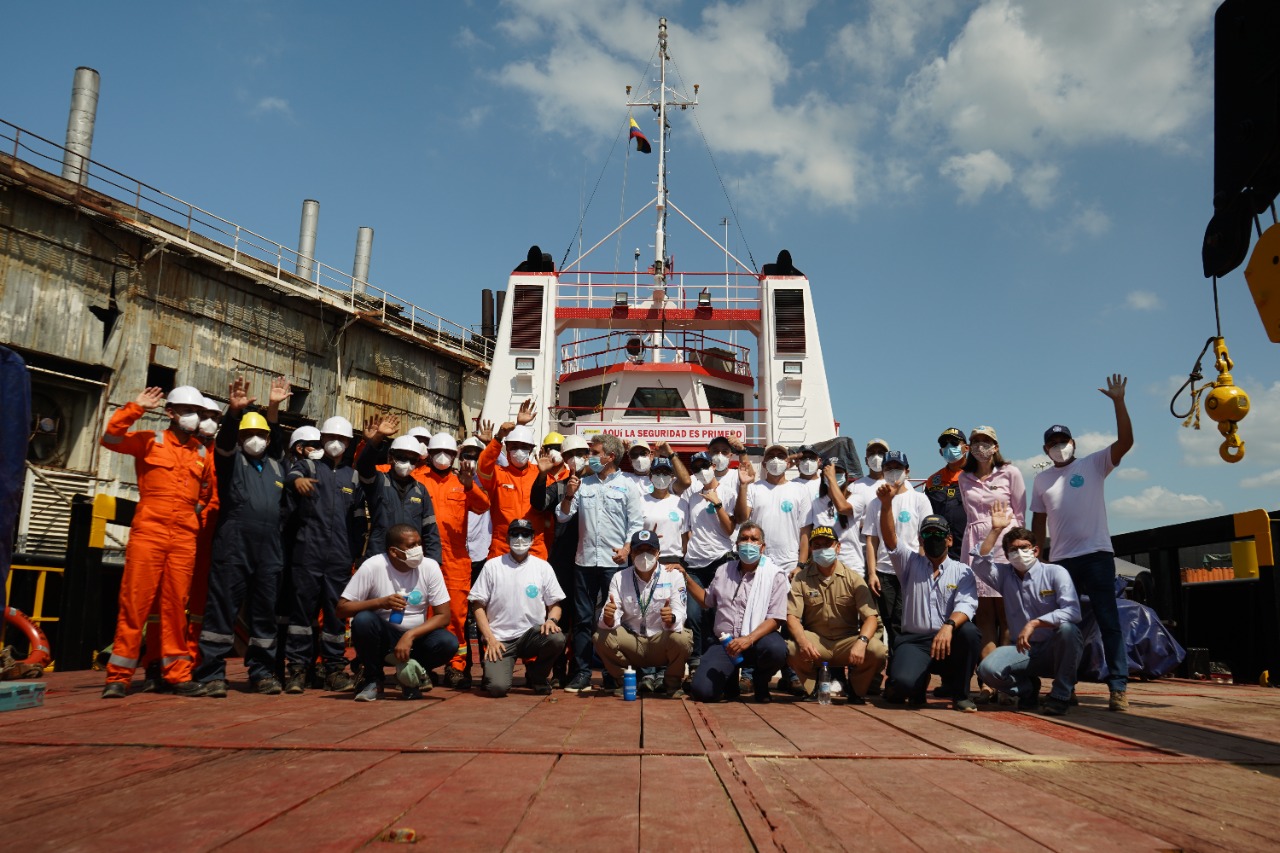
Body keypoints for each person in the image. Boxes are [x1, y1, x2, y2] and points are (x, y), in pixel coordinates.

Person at [100, 385, 213, 698]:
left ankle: (177, 673)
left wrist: (193, 516)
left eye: (199, 413)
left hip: (184, 538)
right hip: (149, 532)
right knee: (135, 602)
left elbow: (205, 492)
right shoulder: (149, 440)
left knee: (177, 605)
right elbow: (109, 437)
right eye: (188, 411)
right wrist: (135, 407)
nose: (194, 417)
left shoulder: (201, 453)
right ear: (170, 412)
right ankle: (119, 676)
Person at [1031, 374, 1134, 712]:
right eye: (1053, 443)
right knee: (1065, 626)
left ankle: (1118, 687)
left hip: (1097, 555)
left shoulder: (1094, 464)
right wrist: (1037, 556)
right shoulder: (1042, 479)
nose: (1059, 446)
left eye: (1063, 440)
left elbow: (1126, 441)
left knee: (1108, 621)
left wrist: (1118, 402)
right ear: (1046, 449)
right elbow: (1038, 521)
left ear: (1073, 443)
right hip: (1061, 562)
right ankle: (1066, 686)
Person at [194, 377, 291, 697]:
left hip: (269, 550)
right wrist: (234, 413)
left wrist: (274, 409)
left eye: (260, 435)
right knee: (222, 607)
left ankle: (262, 673)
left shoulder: (277, 467)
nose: (255, 440)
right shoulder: (230, 461)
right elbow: (222, 445)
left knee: (264, 612)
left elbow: (277, 442)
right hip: (234, 544)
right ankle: (211, 673)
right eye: (248, 434)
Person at [971, 502, 1083, 716]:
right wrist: (995, 530)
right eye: (1013, 550)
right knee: (986, 670)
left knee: (1069, 630)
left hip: (1055, 648)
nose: (1020, 553)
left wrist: (1035, 623)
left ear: (1035, 550)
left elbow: (1073, 611)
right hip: (1023, 650)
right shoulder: (1004, 575)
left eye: (1024, 548)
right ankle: (1027, 690)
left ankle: (1061, 695)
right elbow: (979, 563)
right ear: (1006, 554)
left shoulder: (1055, 572)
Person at [557, 433, 646, 692]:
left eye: (594, 453)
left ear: (609, 456)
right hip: (584, 561)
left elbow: (636, 524)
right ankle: (583, 672)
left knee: (614, 619)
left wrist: (628, 548)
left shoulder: (628, 485)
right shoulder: (582, 484)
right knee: (583, 619)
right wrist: (568, 495)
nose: (589, 457)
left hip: (614, 563)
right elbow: (563, 518)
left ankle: (612, 674)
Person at [878, 499, 980, 712]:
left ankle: (961, 695)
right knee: (902, 686)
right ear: (920, 540)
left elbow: (967, 605)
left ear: (949, 540)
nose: (933, 539)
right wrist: (885, 506)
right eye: (927, 534)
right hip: (915, 641)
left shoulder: (963, 571)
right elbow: (890, 539)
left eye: (939, 534)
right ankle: (917, 682)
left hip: (949, 641)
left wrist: (949, 625)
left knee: (970, 632)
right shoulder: (909, 563)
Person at [283, 414, 361, 694]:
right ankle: (297, 669)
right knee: (302, 613)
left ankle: (333, 669)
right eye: (331, 439)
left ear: (349, 443)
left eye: (341, 440)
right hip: (308, 553)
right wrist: (296, 482)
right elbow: (290, 475)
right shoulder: (308, 466)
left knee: (335, 615)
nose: (336, 443)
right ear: (322, 440)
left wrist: (354, 553)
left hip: (339, 556)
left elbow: (358, 519)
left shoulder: (351, 476)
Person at [337, 524, 456, 702]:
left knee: (448, 642)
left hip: (415, 639)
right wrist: (380, 602)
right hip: (384, 640)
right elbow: (341, 609)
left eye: (419, 544)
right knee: (362, 621)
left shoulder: (430, 567)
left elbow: (443, 615)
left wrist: (410, 635)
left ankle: (410, 677)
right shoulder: (374, 566)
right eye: (411, 546)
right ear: (394, 551)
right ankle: (373, 680)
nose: (418, 550)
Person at [414, 432, 491, 689]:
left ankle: (456, 667)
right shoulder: (417, 480)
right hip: (421, 559)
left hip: (456, 559)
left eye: (448, 453)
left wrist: (470, 485)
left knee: (457, 616)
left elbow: (483, 506)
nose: (443, 457)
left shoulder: (462, 482)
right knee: (422, 614)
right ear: (429, 454)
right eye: (437, 452)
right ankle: (422, 666)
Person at [681, 523, 788, 703]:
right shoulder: (724, 570)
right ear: (737, 545)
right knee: (702, 692)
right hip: (726, 643)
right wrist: (685, 576)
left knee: (777, 649)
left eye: (754, 539)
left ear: (762, 547)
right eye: (744, 538)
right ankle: (729, 683)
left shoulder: (775, 575)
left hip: (758, 642)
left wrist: (749, 639)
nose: (748, 543)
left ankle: (760, 681)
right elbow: (707, 601)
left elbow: (776, 619)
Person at [958, 425, 1026, 703]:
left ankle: (1007, 676)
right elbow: (968, 512)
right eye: (975, 441)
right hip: (977, 545)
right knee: (984, 615)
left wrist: (1019, 548)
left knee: (1008, 615)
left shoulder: (1011, 472)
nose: (980, 446)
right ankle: (989, 680)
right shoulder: (964, 477)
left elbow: (1020, 513)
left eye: (986, 441)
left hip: (1006, 544)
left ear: (996, 446)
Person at [786, 526, 886, 704]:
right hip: (817, 641)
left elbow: (870, 617)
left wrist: (861, 642)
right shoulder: (801, 578)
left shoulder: (853, 578)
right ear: (811, 550)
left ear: (838, 547)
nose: (822, 549)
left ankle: (856, 689)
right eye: (817, 545)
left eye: (827, 544)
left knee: (877, 650)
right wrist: (803, 642)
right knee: (791, 648)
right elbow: (792, 616)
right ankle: (812, 687)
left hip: (846, 642)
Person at [469, 519, 567, 697]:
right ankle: (496, 671)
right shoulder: (492, 566)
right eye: (515, 534)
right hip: (501, 640)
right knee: (497, 688)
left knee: (557, 638)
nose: (520, 539)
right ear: (507, 539)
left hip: (531, 636)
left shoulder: (543, 567)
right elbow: (477, 605)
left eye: (525, 534)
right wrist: (489, 638)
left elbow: (555, 604)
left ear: (533, 539)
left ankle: (537, 676)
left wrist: (551, 620)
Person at [593, 530, 692, 696]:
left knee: (683, 637)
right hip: (632, 642)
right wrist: (609, 617)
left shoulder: (673, 575)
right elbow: (610, 617)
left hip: (661, 640)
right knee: (600, 636)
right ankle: (625, 680)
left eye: (650, 550)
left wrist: (672, 618)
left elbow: (680, 612)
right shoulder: (619, 577)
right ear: (631, 553)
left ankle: (672, 683)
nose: (644, 555)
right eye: (639, 550)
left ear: (658, 553)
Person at [529, 434, 590, 686]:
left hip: (589, 560)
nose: (576, 458)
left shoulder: (597, 485)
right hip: (562, 559)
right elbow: (538, 503)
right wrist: (542, 474)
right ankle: (559, 669)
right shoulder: (560, 486)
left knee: (585, 617)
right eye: (569, 454)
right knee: (562, 616)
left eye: (581, 453)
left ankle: (580, 669)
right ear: (564, 459)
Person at [862, 450, 932, 651]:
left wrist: (920, 569)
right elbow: (871, 539)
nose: (893, 472)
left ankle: (905, 662)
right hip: (884, 571)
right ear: (882, 472)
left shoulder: (919, 499)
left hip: (911, 570)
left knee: (904, 621)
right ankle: (895, 663)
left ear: (907, 471)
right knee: (888, 620)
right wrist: (872, 572)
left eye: (897, 468)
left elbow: (923, 538)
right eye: (888, 469)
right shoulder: (875, 503)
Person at [680, 451, 740, 677]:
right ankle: (695, 662)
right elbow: (686, 529)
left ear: (713, 465)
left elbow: (729, 529)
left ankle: (720, 662)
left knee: (718, 615)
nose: (701, 471)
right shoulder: (691, 495)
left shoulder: (727, 491)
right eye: (696, 468)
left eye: (704, 465)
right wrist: (685, 555)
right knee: (694, 614)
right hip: (694, 563)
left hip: (720, 561)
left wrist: (718, 505)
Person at [478, 399, 553, 559]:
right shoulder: (498, 474)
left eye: (524, 447)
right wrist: (498, 438)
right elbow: (484, 466)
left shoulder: (541, 474)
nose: (519, 451)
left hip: (535, 548)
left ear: (531, 450)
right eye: (514, 447)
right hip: (502, 547)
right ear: (507, 449)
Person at [924, 427, 969, 561]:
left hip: (969, 549)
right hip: (940, 551)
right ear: (940, 451)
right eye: (945, 444)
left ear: (966, 448)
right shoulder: (932, 481)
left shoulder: (975, 477)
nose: (949, 447)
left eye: (954, 443)